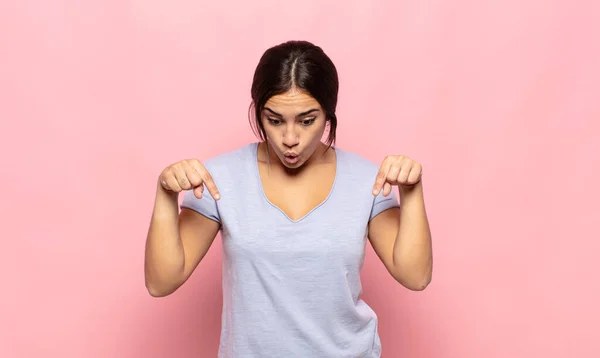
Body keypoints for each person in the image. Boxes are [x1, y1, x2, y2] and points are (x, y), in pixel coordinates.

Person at [144, 40, 433, 357]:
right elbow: (161, 283)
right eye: (275, 120)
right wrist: (165, 195)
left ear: (328, 114)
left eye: (307, 121)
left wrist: (412, 190)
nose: (290, 139)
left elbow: (415, 276)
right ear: (259, 113)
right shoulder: (219, 179)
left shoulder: (368, 181)